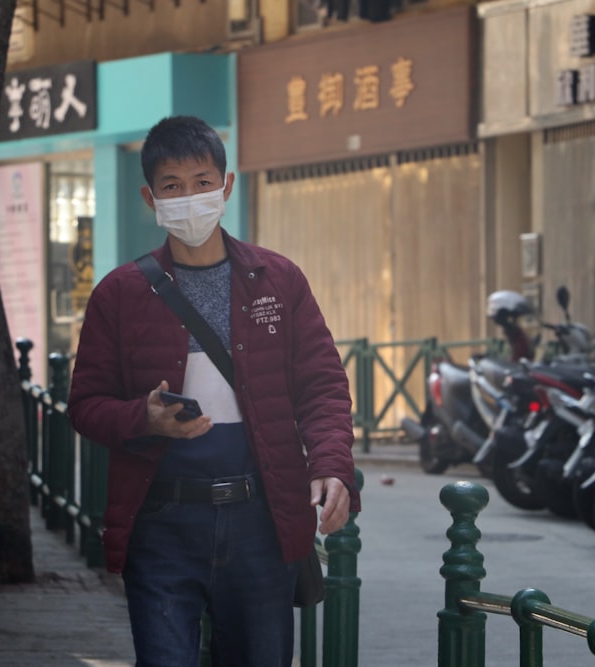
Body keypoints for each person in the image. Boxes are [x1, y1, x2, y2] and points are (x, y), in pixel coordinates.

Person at [67, 115, 359, 667]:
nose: (190, 198)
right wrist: (142, 419)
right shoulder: (121, 294)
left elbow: (322, 385)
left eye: (202, 182)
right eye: (172, 187)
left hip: (261, 518)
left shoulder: (278, 279)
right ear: (149, 196)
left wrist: (331, 464)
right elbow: (85, 406)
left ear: (226, 187)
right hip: (161, 523)